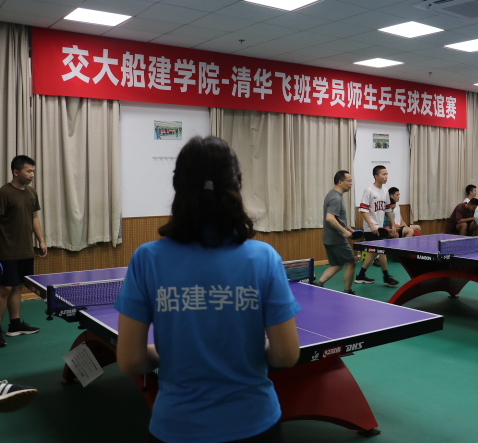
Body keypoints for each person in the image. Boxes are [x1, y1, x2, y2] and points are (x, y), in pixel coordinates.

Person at [115, 136, 301, 443]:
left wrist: (172, 353)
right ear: (237, 185)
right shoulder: (263, 258)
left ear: (177, 186)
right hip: (255, 423)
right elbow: (286, 355)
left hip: (175, 427)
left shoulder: (147, 259)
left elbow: (130, 360)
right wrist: (246, 353)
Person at [0, 155, 47, 347]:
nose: (32, 174)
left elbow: (34, 217)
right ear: (16, 172)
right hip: (6, 251)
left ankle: (15, 324)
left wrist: (41, 241)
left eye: (33, 171)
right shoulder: (4, 193)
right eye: (29, 171)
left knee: (18, 286)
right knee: (5, 289)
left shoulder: (31, 192)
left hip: (25, 250)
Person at [355, 166, 399, 287]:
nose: (386, 177)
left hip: (380, 228)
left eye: (387, 174)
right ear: (376, 176)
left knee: (374, 253)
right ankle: (386, 277)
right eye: (383, 174)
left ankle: (361, 276)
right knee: (381, 250)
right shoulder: (369, 190)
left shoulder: (385, 191)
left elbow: (388, 210)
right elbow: (363, 210)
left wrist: (393, 224)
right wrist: (371, 225)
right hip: (371, 229)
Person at [317, 171, 357, 294]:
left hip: (329, 238)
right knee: (351, 263)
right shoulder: (336, 198)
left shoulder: (333, 194)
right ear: (340, 182)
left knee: (337, 264)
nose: (351, 183)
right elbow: (330, 218)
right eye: (349, 181)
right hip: (337, 238)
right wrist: (344, 231)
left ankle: (318, 284)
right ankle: (347, 291)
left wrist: (350, 229)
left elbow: (338, 218)